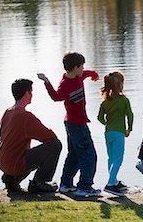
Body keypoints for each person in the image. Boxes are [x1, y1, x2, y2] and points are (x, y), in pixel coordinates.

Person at [37, 51, 101, 197]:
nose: (83, 69)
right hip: (76, 125)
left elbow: (88, 73)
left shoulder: (79, 75)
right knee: (89, 156)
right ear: (74, 68)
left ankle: (65, 184)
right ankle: (85, 187)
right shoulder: (65, 85)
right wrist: (46, 81)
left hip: (73, 123)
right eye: (82, 67)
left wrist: (94, 74)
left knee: (74, 155)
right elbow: (55, 97)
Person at [0, 79, 62, 194]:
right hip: (15, 163)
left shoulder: (8, 112)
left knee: (25, 153)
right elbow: (50, 137)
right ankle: (39, 183)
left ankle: (12, 179)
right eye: (31, 92)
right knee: (55, 145)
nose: (32, 95)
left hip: (2, 161)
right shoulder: (25, 116)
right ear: (27, 93)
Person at [98, 71, 134, 196]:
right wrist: (129, 129)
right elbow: (130, 115)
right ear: (120, 85)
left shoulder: (105, 102)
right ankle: (110, 184)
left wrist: (107, 124)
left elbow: (100, 118)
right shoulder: (124, 100)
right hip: (119, 133)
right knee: (118, 158)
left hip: (108, 133)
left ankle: (114, 180)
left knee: (111, 158)